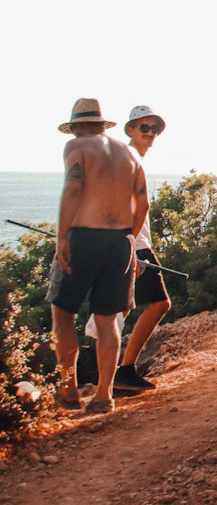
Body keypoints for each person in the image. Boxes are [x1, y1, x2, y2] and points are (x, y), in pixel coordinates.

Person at [47, 98, 148, 415]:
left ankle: (69, 389)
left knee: (63, 312)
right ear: (102, 125)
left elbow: (74, 188)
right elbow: (142, 204)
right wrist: (128, 236)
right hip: (120, 242)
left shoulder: (77, 146)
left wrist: (62, 236)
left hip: (84, 239)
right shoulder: (129, 153)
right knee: (107, 320)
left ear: (76, 127)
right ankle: (104, 395)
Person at [114, 104, 170, 395]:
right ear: (130, 130)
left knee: (118, 309)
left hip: (133, 243)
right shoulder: (129, 158)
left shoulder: (130, 157)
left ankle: (117, 373)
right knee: (160, 303)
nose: (151, 134)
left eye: (155, 129)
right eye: (145, 128)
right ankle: (123, 371)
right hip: (135, 244)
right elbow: (127, 205)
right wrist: (130, 248)